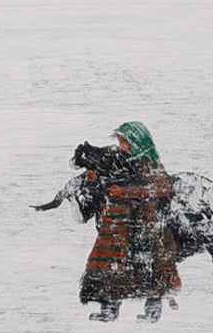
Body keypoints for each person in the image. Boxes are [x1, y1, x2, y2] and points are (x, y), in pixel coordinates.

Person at [77, 121, 182, 322]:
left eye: (125, 143)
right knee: (110, 266)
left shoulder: (149, 163)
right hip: (117, 224)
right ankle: (109, 309)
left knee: (148, 267)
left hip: (144, 224)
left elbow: (162, 189)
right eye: (120, 142)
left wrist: (126, 192)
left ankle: (152, 311)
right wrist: (93, 177)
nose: (122, 146)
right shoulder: (117, 159)